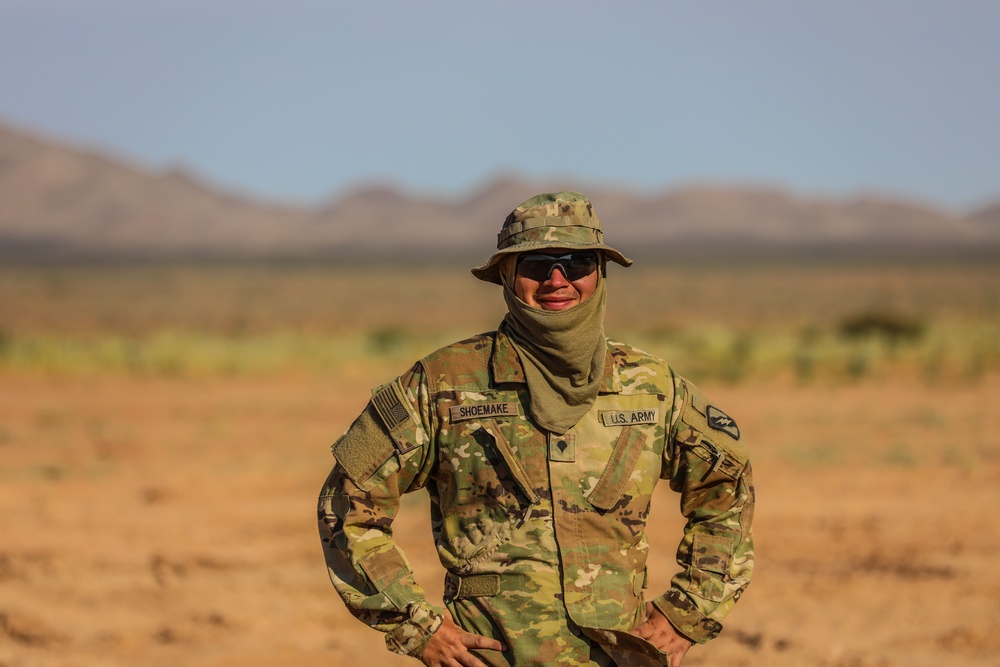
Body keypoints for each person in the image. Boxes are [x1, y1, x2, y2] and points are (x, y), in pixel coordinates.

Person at [317, 192, 754, 667]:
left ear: (600, 273)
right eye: (537, 264)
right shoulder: (442, 383)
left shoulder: (651, 386)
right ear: (507, 275)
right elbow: (349, 506)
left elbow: (726, 488)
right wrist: (418, 627)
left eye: (577, 262)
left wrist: (685, 614)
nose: (558, 279)